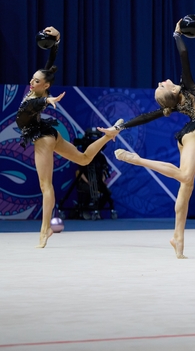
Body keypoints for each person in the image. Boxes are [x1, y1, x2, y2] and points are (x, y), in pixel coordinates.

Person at [99, 19, 195, 259]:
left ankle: (178, 238)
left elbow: (146, 116)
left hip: (189, 135)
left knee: (185, 188)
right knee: (185, 177)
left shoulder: (176, 101)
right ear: (174, 91)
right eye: (162, 85)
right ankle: (137, 160)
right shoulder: (189, 87)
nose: (161, 81)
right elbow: (184, 55)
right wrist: (177, 34)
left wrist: (119, 127)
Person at [16, 27, 121, 247]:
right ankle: (108, 135)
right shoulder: (38, 89)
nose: (32, 82)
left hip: (43, 138)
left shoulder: (36, 97)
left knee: (46, 185)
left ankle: (45, 230)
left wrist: (46, 101)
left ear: (45, 87)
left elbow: (32, 106)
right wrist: (57, 41)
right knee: (83, 159)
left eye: (37, 81)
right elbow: (49, 66)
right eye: (33, 79)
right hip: (49, 133)